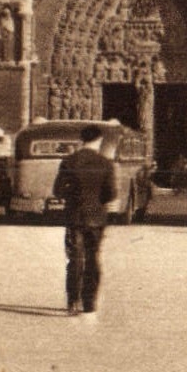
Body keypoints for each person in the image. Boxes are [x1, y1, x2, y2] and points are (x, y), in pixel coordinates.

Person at [54, 124, 119, 318]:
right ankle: (89, 303)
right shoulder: (106, 163)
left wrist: (74, 197)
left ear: (81, 140)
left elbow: (57, 190)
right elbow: (111, 194)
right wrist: (97, 202)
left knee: (75, 259)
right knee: (93, 258)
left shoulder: (69, 161)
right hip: (97, 218)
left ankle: (73, 301)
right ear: (99, 141)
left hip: (74, 216)